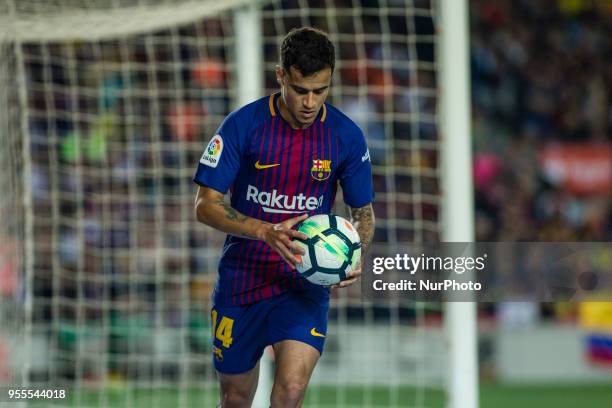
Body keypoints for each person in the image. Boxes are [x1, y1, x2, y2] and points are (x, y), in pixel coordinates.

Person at [193, 27, 375, 408]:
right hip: (243, 278)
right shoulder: (242, 126)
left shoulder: (346, 136)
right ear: (280, 77)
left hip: (304, 283)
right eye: (300, 89)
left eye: (320, 90)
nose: (310, 102)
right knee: (236, 398)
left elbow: (363, 214)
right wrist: (264, 231)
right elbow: (205, 204)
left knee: (291, 391)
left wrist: (356, 251)